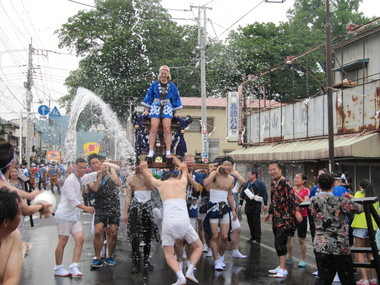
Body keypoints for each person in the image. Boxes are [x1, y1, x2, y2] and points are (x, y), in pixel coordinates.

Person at [141, 161, 203, 285]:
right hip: (184, 220)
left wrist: (144, 168)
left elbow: (148, 176)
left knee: (169, 255)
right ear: (174, 178)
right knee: (199, 246)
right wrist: (183, 168)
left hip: (169, 221)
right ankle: (190, 270)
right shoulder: (182, 182)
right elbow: (185, 173)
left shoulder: (160, 184)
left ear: (165, 179)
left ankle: (180, 276)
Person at [309, 173, 363, 285]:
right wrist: (353, 199)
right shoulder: (340, 201)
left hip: (321, 244)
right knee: (347, 279)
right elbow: (359, 209)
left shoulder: (313, 200)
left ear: (318, 185)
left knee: (324, 279)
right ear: (333, 184)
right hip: (339, 244)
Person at [53, 158, 96, 278]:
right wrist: (86, 208)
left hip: (74, 216)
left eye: (84, 168)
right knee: (62, 242)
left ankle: (74, 265)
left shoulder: (80, 178)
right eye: (80, 167)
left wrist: (100, 171)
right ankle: (58, 267)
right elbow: (72, 200)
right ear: (74, 167)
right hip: (64, 216)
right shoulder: (70, 180)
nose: (82, 170)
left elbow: (89, 177)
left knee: (80, 239)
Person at [264, 161, 302, 278]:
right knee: (278, 241)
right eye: (270, 170)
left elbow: (292, 198)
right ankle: (281, 265)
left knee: (281, 241)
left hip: (285, 217)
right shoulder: (273, 183)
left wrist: (296, 212)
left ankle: (283, 268)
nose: (272, 172)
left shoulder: (285, 182)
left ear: (280, 170)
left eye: (274, 169)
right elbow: (274, 200)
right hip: (276, 216)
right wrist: (269, 213)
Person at [203, 156, 238, 271]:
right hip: (213, 206)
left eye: (229, 165)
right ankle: (216, 259)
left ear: (232, 167)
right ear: (221, 165)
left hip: (225, 207)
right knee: (214, 235)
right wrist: (214, 172)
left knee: (224, 236)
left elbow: (230, 195)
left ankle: (221, 256)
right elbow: (205, 183)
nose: (227, 167)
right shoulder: (214, 175)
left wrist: (234, 210)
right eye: (225, 164)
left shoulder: (232, 179)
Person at [141, 65, 183, 159]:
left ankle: (168, 151)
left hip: (167, 106)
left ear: (168, 75)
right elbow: (149, 96)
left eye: (165, 73)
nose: (163, 75)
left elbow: (175, 98)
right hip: (155, 105)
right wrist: (147, 109)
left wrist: (175, 111)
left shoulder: (172, 86)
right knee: (153, 128)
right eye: (162, 73)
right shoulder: (154, 84)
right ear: (159, 74)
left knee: (167, 129)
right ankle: (151, 150)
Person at [0, 142, 51, 218]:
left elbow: (10, 188)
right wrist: (42, 206)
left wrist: (29, 196)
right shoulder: (5, 187)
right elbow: (26, 210)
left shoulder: (5, 184)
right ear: (10, 166)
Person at [124, 162, 158, 274]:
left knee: (147, 235)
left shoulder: (149, 174)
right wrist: (126, 213)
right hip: (135, 206)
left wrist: (145, 171)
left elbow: (152, 186)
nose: (138, 168)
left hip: (147, 206)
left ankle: (147, 261)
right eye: (136, 166)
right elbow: (128, 197)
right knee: (134, 236)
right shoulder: (130, 178)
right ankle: (135, 261)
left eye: (140, 166)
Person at [88, 154, 122, 268]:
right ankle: (98, 258)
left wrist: (107, 171)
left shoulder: (111, 170)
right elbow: (95, 188)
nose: (95, 165)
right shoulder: (90, 176)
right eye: (92, 164)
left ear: (101, 162)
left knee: (113, 232)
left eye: (97, 162)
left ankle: (109, 256)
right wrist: (100, 175)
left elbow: (118, 183)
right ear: (90, 166)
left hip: (114, 205)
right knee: (98, 231)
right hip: (100, 206)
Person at [346, 179, 379, 285]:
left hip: (360, 225)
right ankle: (373, 278)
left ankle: (364, 279)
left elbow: (355, 204)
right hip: (372, 227)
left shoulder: (359, 194)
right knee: (371, 253)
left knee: (359, 252)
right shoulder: (375, 198)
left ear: (361, 187)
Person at [286, 173, 310, 268]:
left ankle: (303, 259)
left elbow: (305, 202)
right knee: (289, 237)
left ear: (303, 181)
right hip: (291, 215)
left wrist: (296, 196)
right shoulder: (292, 189)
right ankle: (289, 256)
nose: (295, 180)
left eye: (298, 178)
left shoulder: (306, 190)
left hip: (302, 216)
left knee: (301, 239)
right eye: (295, 178)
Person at [239, 169, 268, 245]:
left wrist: (265, 204)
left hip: (256, 204)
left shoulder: (260, 184)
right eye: (247, 174)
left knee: (256, 222)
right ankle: (252, 236)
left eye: (249, 174)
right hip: (248, 204)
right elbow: (242, 194)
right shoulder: (247, 184)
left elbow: (264, 193)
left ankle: (258, 238)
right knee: (250, 221)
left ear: (254, 175)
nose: (248, 176)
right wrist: (240, 204)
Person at [0, 187, 23, 285]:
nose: (21, 215)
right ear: (6, 221)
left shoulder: (13, 235)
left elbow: (12, 278)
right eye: (19, 213)